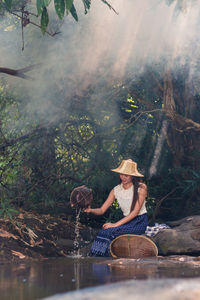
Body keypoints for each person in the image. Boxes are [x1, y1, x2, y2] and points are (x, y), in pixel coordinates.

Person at [84, 159, 148, 257]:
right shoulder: (116, 190)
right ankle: (95, 258)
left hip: (139, 221)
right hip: (126, 221)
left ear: (132, 176)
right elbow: (102, 210)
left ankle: (103, 259)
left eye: (126, 175)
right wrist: (90, 210)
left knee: (111, 233)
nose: (123, 177)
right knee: (103, 231)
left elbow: (135, 212)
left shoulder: (141, 187)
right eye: (121, 174)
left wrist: (115, 225)